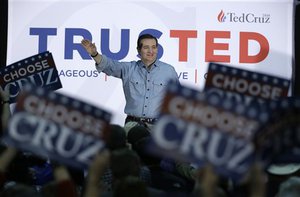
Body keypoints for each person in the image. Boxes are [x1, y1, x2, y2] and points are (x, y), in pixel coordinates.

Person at [81, 34, 180, 133]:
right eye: (146, 47)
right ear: (138, 50)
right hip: (132, 126)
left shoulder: (168, 71)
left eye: (154, 47)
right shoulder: (128, 69)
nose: (151, 51)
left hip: (158, 128)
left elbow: (178, 100)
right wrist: (94, 54)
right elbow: (108, 65)